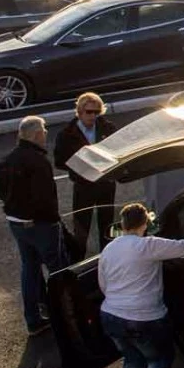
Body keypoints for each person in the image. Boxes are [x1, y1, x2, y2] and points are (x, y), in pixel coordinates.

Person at [97, 203, 184, 368]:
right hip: (146, 318)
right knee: (159, 358)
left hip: (111, 316)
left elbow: (103, 284)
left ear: (122, 225)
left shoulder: (109, 249)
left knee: (132, 359)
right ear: (144, 224)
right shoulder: (149, 245)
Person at [0, 116, 66, 336]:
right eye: (44, 130)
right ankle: (65, 312)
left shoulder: (8, 159)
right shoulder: (38, 161)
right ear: (36, 135)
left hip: (16, 222)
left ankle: (33, 319)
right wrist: (54, 220)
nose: (46, 134)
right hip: (41, 224)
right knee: (58, 269)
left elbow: (1, 191)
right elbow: (45, 198)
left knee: (30, 269)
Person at [52, 92, 117, 258]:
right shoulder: (67, 134)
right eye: (89, 112)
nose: (93, 116)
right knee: (81, 226)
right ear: (80, 112)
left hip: (105, 183)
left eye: (96, 112)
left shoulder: (108, 128)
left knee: (107, 224)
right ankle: (78, 260)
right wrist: (79, 165)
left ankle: (109, 257)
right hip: (83, 185)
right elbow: (59, 160)